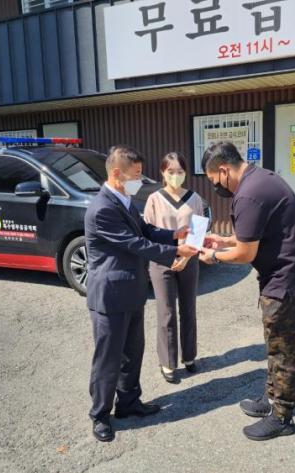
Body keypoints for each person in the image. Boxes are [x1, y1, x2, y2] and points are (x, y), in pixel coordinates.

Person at [198, 141, 295, 441]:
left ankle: (282, 417)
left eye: (214, 181)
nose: (216, 187)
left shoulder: (248, 194)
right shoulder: (259, 179)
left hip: (285, 281)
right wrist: (223, 240)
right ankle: (271, 398)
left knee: (282, 350)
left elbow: (245, 253)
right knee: (274, 343)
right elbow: (251, 236)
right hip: (285, 275)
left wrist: (213, 256)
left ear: (223, 170)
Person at [84, 145, 198, 443]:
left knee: (132, 352)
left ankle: (129, 402)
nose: (139, 180)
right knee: (108, 358)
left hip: (132, 291)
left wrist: (174, 235)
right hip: (110, 296)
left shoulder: (124, 200)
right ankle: (100, 414)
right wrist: (176, 252)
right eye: (135, 175)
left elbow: (145, 230)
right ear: (116, 173)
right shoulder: (103, 208)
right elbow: (135, 244)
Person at [144, 152, 206, 384]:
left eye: (180, 171)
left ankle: (189, 356)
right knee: (166, 311)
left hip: (189, 260)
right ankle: (168, 361)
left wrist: (187, 256)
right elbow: (149, 233)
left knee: (188, 308)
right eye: (171, 171)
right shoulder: (154, 199)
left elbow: (198, 231)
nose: (175, 176)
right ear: (163, 172)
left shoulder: (194, 198)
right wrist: (171, 255)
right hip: (162, 261)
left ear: (186, 173)